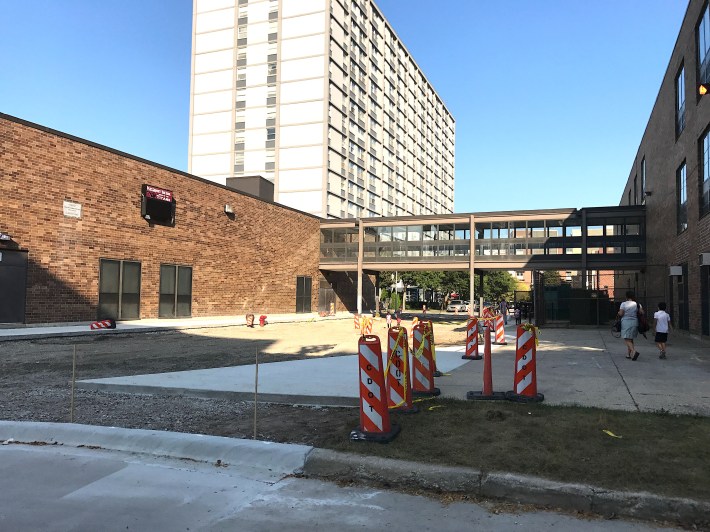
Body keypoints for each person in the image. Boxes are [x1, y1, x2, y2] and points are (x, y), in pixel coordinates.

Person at [617, 291, 642, 361]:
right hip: (635, 322)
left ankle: (633, 351)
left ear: (626, 296)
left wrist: (618, 312)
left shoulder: (623, 304)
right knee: (631, 338)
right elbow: (641, 312)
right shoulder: (637, 304)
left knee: (626, 338)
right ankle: (629, 354)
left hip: (626, 322)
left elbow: (621, 313)